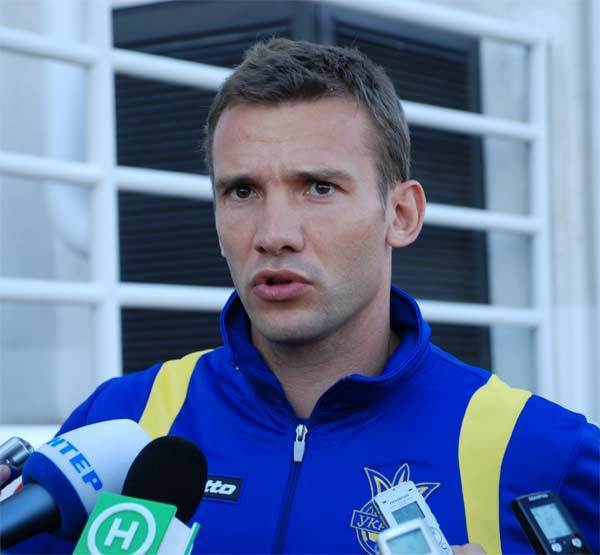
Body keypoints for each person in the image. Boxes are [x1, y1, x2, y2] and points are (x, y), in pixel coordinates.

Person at [10, 39, 599, 555]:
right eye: (242, 191)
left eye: (318, 187)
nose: (274, 234)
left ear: (401, 214)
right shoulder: (121, 422)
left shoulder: (539, 447)